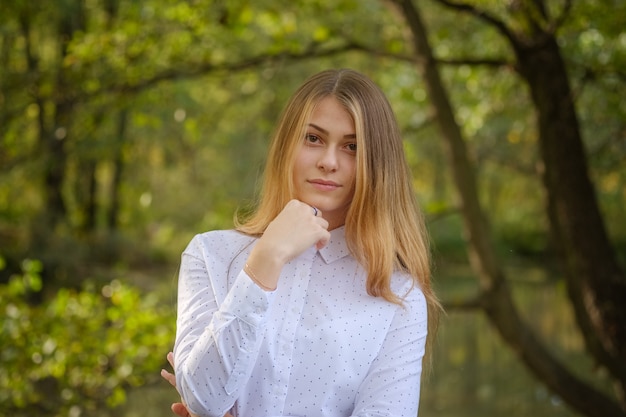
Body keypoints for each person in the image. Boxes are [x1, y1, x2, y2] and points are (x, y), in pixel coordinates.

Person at [161, 68, 441, 417]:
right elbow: (203, 399)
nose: (328, 162)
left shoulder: (398, 292)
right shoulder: (210, 255)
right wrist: (267, 258)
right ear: (286, 145)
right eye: (313, 139)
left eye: (352, 147)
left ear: (377, 162)